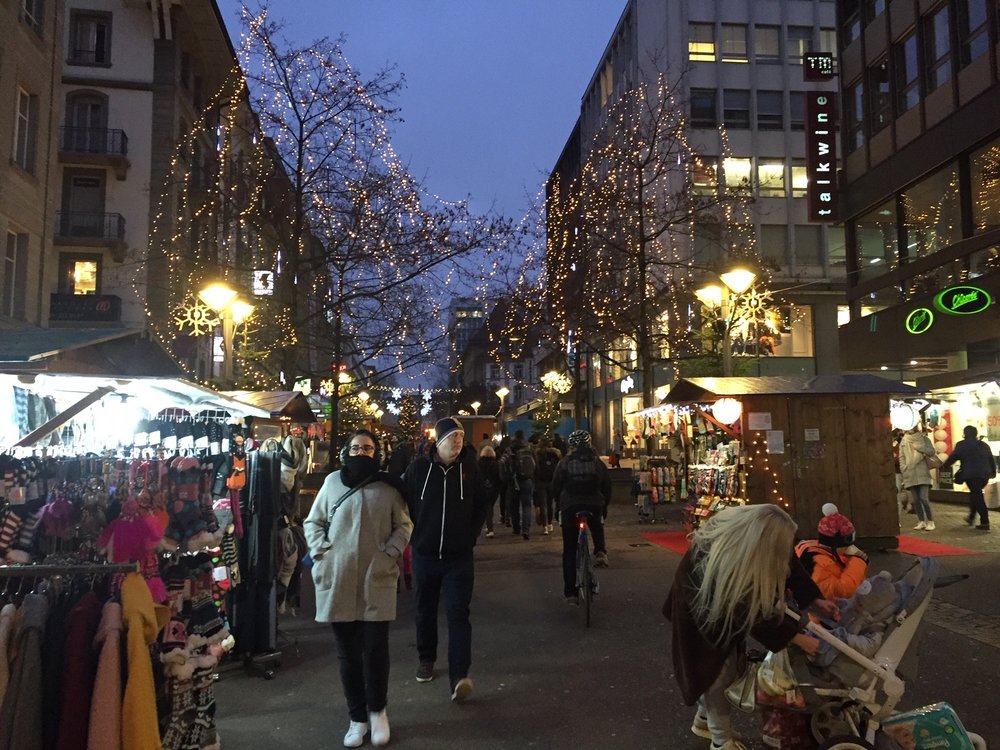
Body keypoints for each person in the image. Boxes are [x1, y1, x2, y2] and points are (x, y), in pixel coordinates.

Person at [663, 504, 838, 750]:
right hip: (700, 609)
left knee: (722, 665)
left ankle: (705, 720)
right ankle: (721, 739)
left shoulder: (759, 537)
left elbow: (788, 563)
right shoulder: (722, 559)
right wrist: (795, 637)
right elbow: (746, 610)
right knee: (714, 670)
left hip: (720, 607)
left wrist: (813, 599)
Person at [303, 429, 413, 748]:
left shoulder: (388, 487)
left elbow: (404, 525)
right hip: (338, 579)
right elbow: (313, 522)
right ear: (345, 452)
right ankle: (357, 717)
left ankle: (378, 712)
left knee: (376, 650)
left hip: (375, 579)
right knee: (348, 654)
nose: (361, 452)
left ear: (376, 453)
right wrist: (323, 551)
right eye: (356, 447)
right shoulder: (332, 482)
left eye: (368, 448)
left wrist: (389, 553)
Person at [402, 417, 489, 702]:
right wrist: (415, 535)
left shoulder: (469, 468)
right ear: (438, 441)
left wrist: (471, 535)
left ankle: (459, 676)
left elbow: (482, 503)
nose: (458, 440)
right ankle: (426, 658)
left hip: (458, 557)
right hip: (425, 555)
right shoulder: (418, 469)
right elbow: (404, 501)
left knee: (458, 615)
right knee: (424, 610)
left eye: (460, 436)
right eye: (452, 436)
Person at [551, 430, 611, 604]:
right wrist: (603, 506)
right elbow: (607, 486)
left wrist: (558, 505)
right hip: (594, 503)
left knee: (569, 549)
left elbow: (555, 486)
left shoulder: (565, 462)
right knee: (597, 523)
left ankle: (570, 593)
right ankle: (600, 550)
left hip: (570, 506)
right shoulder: (597, 462)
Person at [794, 503, 869, 599]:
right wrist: (859, 561)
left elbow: (852, 576)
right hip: (824, 612)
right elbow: (843, 592)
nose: (849, 546)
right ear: (834, 543)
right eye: (848, 542)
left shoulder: (827, 553)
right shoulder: (818, 564)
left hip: (839, 609)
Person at [942, 425, 997, 531]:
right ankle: (971, 517)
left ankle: (985, 522)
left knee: (977, 497)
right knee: (975, 495)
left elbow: (953, 457)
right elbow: (991, 459)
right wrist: (993, 473)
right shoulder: (984, 445)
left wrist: (944, 466)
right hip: (984, 475)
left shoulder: (962, 445)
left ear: (965, 434)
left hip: (972, 475)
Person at [898, 425, 937, 530]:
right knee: (916, 500)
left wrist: (919, 448)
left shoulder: (923, 439)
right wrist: (903, 468)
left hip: (922, 473)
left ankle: (930, 521)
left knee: (924, 498)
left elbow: (932, 452)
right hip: (909, 473)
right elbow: (901, 456)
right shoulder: (904, 441)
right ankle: (921, 521)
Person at [478, 444, 501, 538]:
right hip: (493, 489)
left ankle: (489, 528)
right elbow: (499, 478)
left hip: (482, 488)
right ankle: (489, 527)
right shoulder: (496, 464)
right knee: (489, 507)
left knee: (486, 507)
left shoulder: (479, 463)